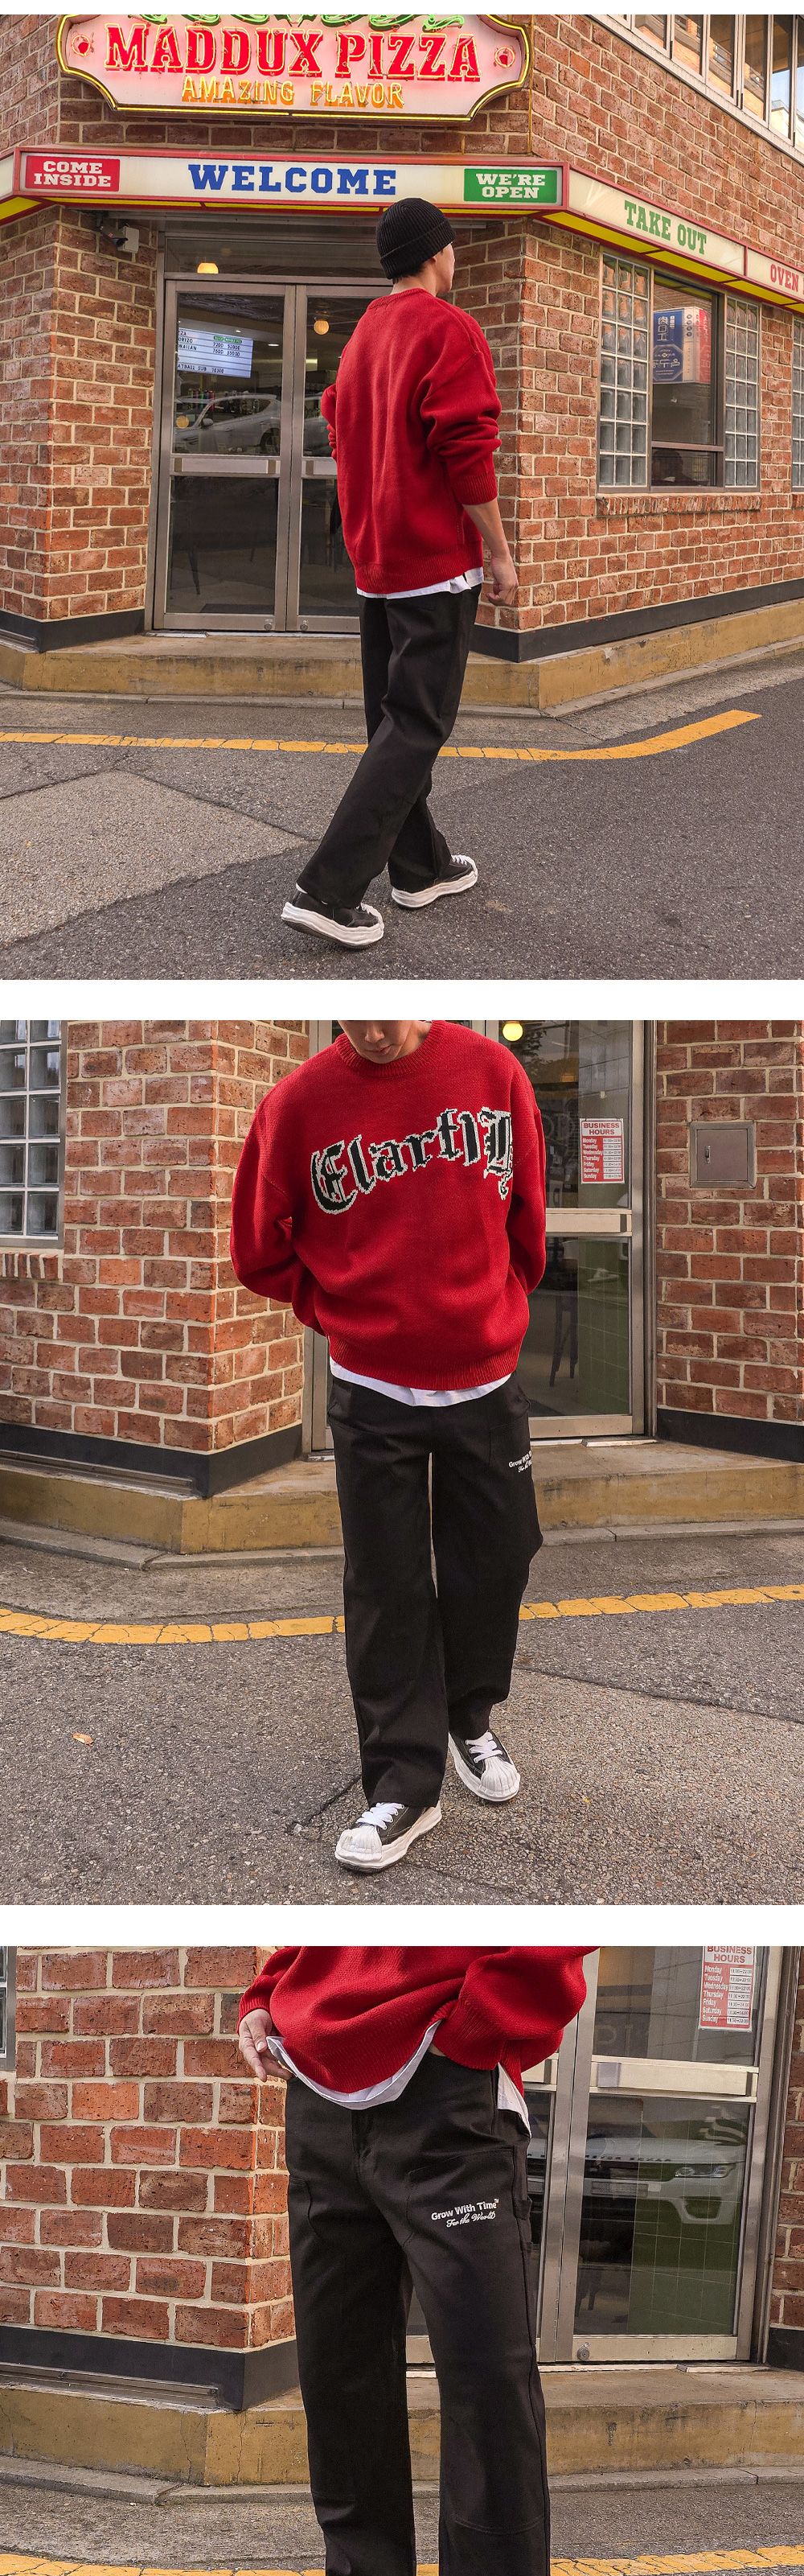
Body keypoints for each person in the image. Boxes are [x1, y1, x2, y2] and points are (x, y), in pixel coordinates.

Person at [238, 1946, 590, 2576]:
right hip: (317, 2093)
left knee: (488, 2385)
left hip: (445, 2091)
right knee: (339, 2373)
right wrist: (269, 1992)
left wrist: (469, 2030)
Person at [230, 1017, 546, 1874]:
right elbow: (258, 1250)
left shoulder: (492, 1071)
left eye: (391, 1010)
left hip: (484, 1378)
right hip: (373, 1389)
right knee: (386, 1581)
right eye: (353, 1013)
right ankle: (404, 1781)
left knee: (498, 1560)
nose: (372, 1028)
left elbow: (527, 1217)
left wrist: (493, 1310)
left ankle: (469, 1717)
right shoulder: (296, 1104)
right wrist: (338, 1308)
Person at [281, 196, 518, 949]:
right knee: (416, 725)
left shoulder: (362, 337)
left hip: (377, 565)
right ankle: (329, 889)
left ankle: (420, 868)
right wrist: (499, 551)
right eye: (452, 247)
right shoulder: (449, 328)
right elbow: (466, 453)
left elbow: (339, 427)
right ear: (437, 252)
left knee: (394, 725)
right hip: (434, 564)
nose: (456, 258)